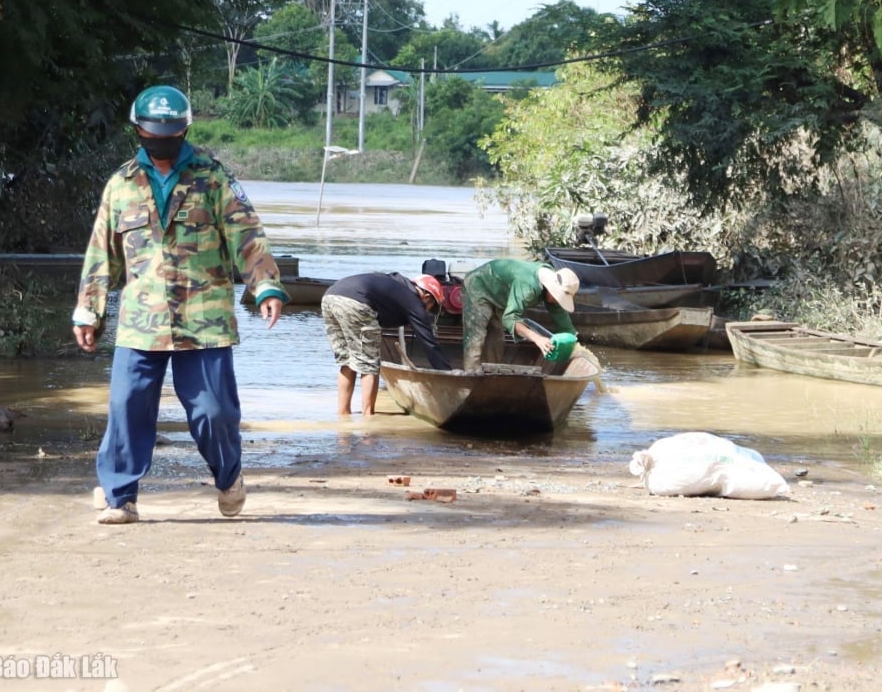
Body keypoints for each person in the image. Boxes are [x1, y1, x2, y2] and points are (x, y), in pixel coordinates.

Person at [72, 84, 289, 525]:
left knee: (215, 412)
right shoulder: (121, 185)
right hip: (140, 321)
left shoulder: (214, 178)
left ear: (185, 129)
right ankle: (120, 497)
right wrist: (88, 310)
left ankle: (229, 478)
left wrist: (265, 285)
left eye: (171, 131)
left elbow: (247, 236)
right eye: (154, 131)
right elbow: (102, 253)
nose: (162, 139)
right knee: (127, 407)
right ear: (138, 130)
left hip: (204, 319)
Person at [321, 272, 452, 415]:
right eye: (432, 306)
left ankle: (343, 414)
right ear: (427, 296)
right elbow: (428, 342)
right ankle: (368, 416)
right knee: (370, 365)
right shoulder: (412, 299)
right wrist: (447, 374)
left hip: (330, 297)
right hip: (357, 302)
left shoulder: (396, 284)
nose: (427, 311)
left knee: (347, 362)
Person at [460, 259, 580, 370]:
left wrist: (576, 346)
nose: (557, 300)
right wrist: (537, 338)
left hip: (501, 295)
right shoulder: (528, 286)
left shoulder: (552, 291)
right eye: (557, 296)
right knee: (476, 338)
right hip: (479, 286)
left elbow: (565, 325)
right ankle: (470, 376)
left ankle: (489, 376)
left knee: (496, 340)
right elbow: (510, 318)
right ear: (551, 287)